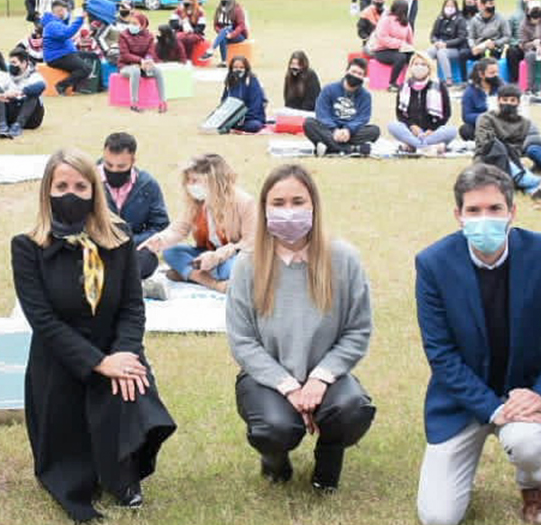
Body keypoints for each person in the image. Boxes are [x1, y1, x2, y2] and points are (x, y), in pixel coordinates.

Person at [414, 164, 541, 525]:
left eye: (495, 209)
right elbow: (441, 354)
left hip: (524, 396)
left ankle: (532, 482)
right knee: (438, 519)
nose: (485, 219)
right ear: (458, 216)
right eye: (474, 211)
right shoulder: (433, 264)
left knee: (528, 444)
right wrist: (492, 410)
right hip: (462, 403)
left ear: (512, 211)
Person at [11, 149, 176, 523]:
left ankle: (125, 472)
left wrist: (126, 356)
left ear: (94, 190)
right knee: (74, 468)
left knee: (129, 388)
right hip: (61, 358)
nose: (71, 193)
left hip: (116, 347)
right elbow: (43, 320)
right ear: (47, 191)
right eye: (62, 185)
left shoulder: (118, 239)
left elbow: (133, 306)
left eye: (81, 186)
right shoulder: (27, 247)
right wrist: (99, 363)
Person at [226, 165, 375, 492]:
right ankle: (274, 459)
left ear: (314, 206)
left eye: (298, 201)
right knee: (274, 428)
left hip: (325, 374)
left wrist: (320, 379)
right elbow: (243, 341)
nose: (288, 211)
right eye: (278, 203)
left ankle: (329, 456)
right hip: (268, 377)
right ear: (264, 209)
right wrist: (289, 387)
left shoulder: (344, 259)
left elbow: (358, 330)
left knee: (352, 409)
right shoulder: (248, 265)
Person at [146, 153, 256, 292]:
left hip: (233, 255)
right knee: (171, 253)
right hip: (206, 253)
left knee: (231, 269)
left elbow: (250, 243)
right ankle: (215, 284)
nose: (190, 185)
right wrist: (160, 239)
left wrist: (217, 257)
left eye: (195, 180)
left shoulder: (244, 202)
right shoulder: (196, 203)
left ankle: (189, 275)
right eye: (188, 180)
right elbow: (179, 228)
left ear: (214, 180)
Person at [99, 132, 170, 276]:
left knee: (148, 259)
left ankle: (115, 280)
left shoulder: (148, 185)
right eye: (109, 165)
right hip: (96, 247)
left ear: (133, 161)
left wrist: (130, 241)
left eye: (121, 166)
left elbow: (160, 226)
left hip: (132, 250)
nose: (114, 170)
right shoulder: (87, 181)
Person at [474, 82, 541, 197]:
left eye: (512, 100)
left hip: (513, 162)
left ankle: (535, 191)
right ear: (498, 101)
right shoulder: (486, 119)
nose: (508, 103)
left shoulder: (524, 123)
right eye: (504, 100)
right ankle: (536, 182)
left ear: (518, 102)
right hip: (488, 160)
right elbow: (484, 145)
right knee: (496, 146)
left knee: (513, 163)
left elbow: (518, 149)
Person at [306, 57, 380, 157]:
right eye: (353, 72)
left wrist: (348, 130)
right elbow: (322, 113)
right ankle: (350, 149)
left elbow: (363, 118)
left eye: (360, 74)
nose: (355, 76)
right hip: (330, 130)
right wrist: (334, 130)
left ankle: (330, 147)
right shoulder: (329, 89)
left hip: (351, 132)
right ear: (346, 71)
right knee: (309, 123)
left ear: (364, 78)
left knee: (374, 131)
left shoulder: (365, 96)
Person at [389, 53, 455, 155]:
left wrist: (432, 129)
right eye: (416, 64)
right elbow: (400, 114)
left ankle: (413, 146)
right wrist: (412, 126)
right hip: (411, 132)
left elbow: (447, 113)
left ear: (429, 67)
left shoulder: (439, 86)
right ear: (411, 67)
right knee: (393, 125)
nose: (419, 67)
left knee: (452, 130)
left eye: (423, 64)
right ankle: (425, 147)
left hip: (432, 132)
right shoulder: (404, 87)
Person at [0, 50, 49, 141]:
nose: (11, 66)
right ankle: (2, 126)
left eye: (14, 62)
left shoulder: (34, 75)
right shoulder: (6, 75)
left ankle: (18, 125)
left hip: (31, 118)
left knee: (33, 94)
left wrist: (20, 92)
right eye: (10, 63)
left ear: (24, 63)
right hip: (11, 113)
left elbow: (41, 86)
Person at [114, 9, 166, 111]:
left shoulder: (149, 36)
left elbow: (151, 52)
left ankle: (162, 102)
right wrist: (139, 61)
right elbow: (124, 55)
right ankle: (134, 103)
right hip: (126, 66)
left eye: (135, 23)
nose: (132, 26)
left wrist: (147, 61)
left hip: (144, 65)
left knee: (158, 71)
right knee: (135, 71)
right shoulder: (123, 35)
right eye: (130, 23)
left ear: (142, 25)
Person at [367, 0, 416, 84]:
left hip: (399, 50)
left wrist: (409, 47)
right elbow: (382, 38)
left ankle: (411, 80)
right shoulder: (386, 20)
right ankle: (392, 83)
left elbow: (409, 39)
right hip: (382, 50)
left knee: (414, 57)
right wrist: (400, 44)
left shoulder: (406, 23)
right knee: (400, 58)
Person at [429, 0, 470, 83]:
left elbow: (461, 38)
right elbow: (433, 35)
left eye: (452, 6)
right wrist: (436, 42)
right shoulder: (440, 19)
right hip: (440, 45)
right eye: (447, 6)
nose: (449, 8)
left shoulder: (460, 20)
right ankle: (429, 76)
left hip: (455, 48)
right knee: (430, 51)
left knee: (442, 53)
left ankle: (448, 79)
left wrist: (446, 44)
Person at [456, 59, 498, 140]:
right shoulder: (470, 92)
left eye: (497, 72)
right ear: (481, 74)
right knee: (465, 129)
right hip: (481, 125)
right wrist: (486, 116)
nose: (496, 75)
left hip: (501, 125)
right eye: (492, 73)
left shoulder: (502, 87)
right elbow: (466, 116)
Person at [210, 0, 250, 65]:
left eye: (225, 0)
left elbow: (241, 26)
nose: (223, 2)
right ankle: (224, 61)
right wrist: (221, 32)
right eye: (222, 0)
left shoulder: (237, 9)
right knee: (223, 35)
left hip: (239, 35)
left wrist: (232, 34)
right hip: (225, 34)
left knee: (225, 31)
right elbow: (215, 25)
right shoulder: (219, 10)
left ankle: (212, 49)